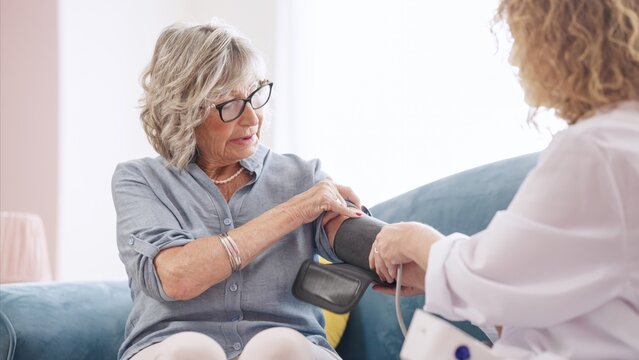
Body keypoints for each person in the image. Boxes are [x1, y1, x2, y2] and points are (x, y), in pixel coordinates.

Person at [370, 0, 639, 358]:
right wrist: (438, 273)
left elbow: (489, 275)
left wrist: (415, 240)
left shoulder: (596, 150)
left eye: (521, 40)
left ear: (562, 42)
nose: (515, 60)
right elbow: (539, 297)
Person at [112, 21, 363, 360]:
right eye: (229, 105)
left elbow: (352, 236)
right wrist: (294, 211)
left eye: (256, 94)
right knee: (191, 350)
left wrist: (398, 247)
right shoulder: (141, 180)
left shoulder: (304, 177)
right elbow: (177, 277)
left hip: (290, 349)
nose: (252, 118)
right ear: (185, 111)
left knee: (280, 344)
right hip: (170, 347)